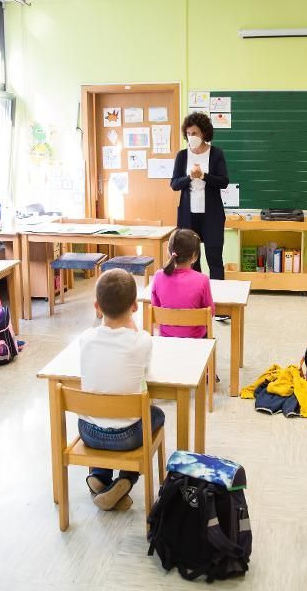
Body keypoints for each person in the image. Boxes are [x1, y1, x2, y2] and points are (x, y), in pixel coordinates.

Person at [78, 269, 162, 511]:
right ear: (135, 307)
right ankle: (126, 479)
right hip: (127, 437)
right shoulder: (141, 341)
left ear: (96, 306)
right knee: (157, 414)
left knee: (100, 417)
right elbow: (145, 370)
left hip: (89, 433)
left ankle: (100, 477)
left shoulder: (85, 338)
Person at [170, 112, 230, 282]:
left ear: (204, 133)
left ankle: (219, 302)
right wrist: (190, 177)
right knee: (190, 261)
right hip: (188, 216)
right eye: (188, 133)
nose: (191, 137)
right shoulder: (182, 156)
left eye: (194, 133)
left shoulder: (216, 154)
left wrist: (203, 176)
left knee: (215, 259)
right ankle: (195, 298)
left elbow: (224, 181)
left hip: (212, 216)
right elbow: (174, 184)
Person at [150, 229, 214, 339]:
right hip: (196, 339)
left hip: (166, 338)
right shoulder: (202, 280)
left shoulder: (158, 276)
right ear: (194, 256)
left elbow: (155, 308)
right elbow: (210, 312)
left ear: (169, 252)